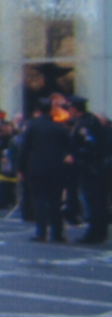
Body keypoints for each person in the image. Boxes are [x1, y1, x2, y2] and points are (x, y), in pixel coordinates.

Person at [21, 98, 74, 242]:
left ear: (38, 110)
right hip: (56, 169)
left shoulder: (32, 126)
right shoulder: (60, 127)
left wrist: (21, 168)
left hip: (36, 168)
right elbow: (68, 148)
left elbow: (24, 148)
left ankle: (41, 232)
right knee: (56, 201)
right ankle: (57, 232)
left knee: (39, 201)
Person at [68, 96, 109, 244]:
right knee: (97, 201)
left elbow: (91, 145)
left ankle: (95, 233)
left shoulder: (86, 124)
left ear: (75, 108)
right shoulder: (91, 120)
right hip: (96, 167)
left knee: (93, 201)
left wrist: (76, 155)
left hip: (91, 168)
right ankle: (99, 231)